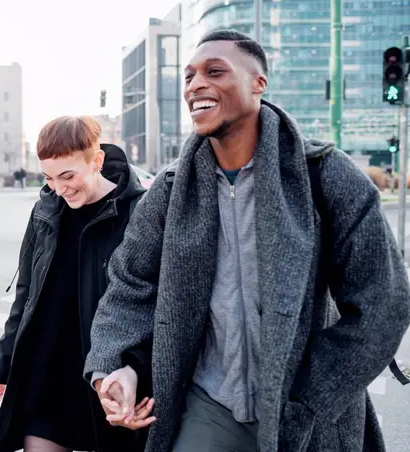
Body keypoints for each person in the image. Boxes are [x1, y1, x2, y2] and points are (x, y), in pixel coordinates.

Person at [84, 30, 410, 452]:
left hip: (307, 411)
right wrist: (115, 367)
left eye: (215, 72)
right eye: (189, 77)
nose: (196, 85)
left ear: (259, 83)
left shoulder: (326, 175)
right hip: (210, 403)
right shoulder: (168, 191)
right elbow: (131, 284)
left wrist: (315, 393)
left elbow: (383, 303)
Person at [0, 115, 155, 452]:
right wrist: (1, 365)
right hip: (48, 372)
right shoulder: (45, 213)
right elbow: (26, 297)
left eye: (68, 176)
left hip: (108, 378)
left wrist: (137, 370)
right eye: (49, 178)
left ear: (97, 161)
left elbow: (150, 307)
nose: (60, 189)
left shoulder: (137, 213)